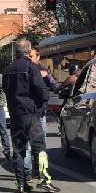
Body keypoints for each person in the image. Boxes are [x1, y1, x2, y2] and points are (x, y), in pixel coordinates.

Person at [3, 38, 60, 193]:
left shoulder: (7, 70)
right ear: (28, 52)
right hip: (31, 115)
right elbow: (41, 91)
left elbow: (6, 90)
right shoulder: (32, 68)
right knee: (39, 149)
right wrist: (40, 102)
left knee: (18, 150)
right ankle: (44, 181)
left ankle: (20, 183)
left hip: (15, 116)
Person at [24, 48, 59, 180]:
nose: (29, 58)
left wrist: (47, 76)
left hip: (40, 113)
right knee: (27, 145)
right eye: (28, 56)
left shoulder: (43, 70)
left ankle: (40, 171)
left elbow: (55, 87)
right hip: (27, 113)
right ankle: (27, 172)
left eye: (31, 56)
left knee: (40, 144)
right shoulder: (24, 70)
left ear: (38, 57)